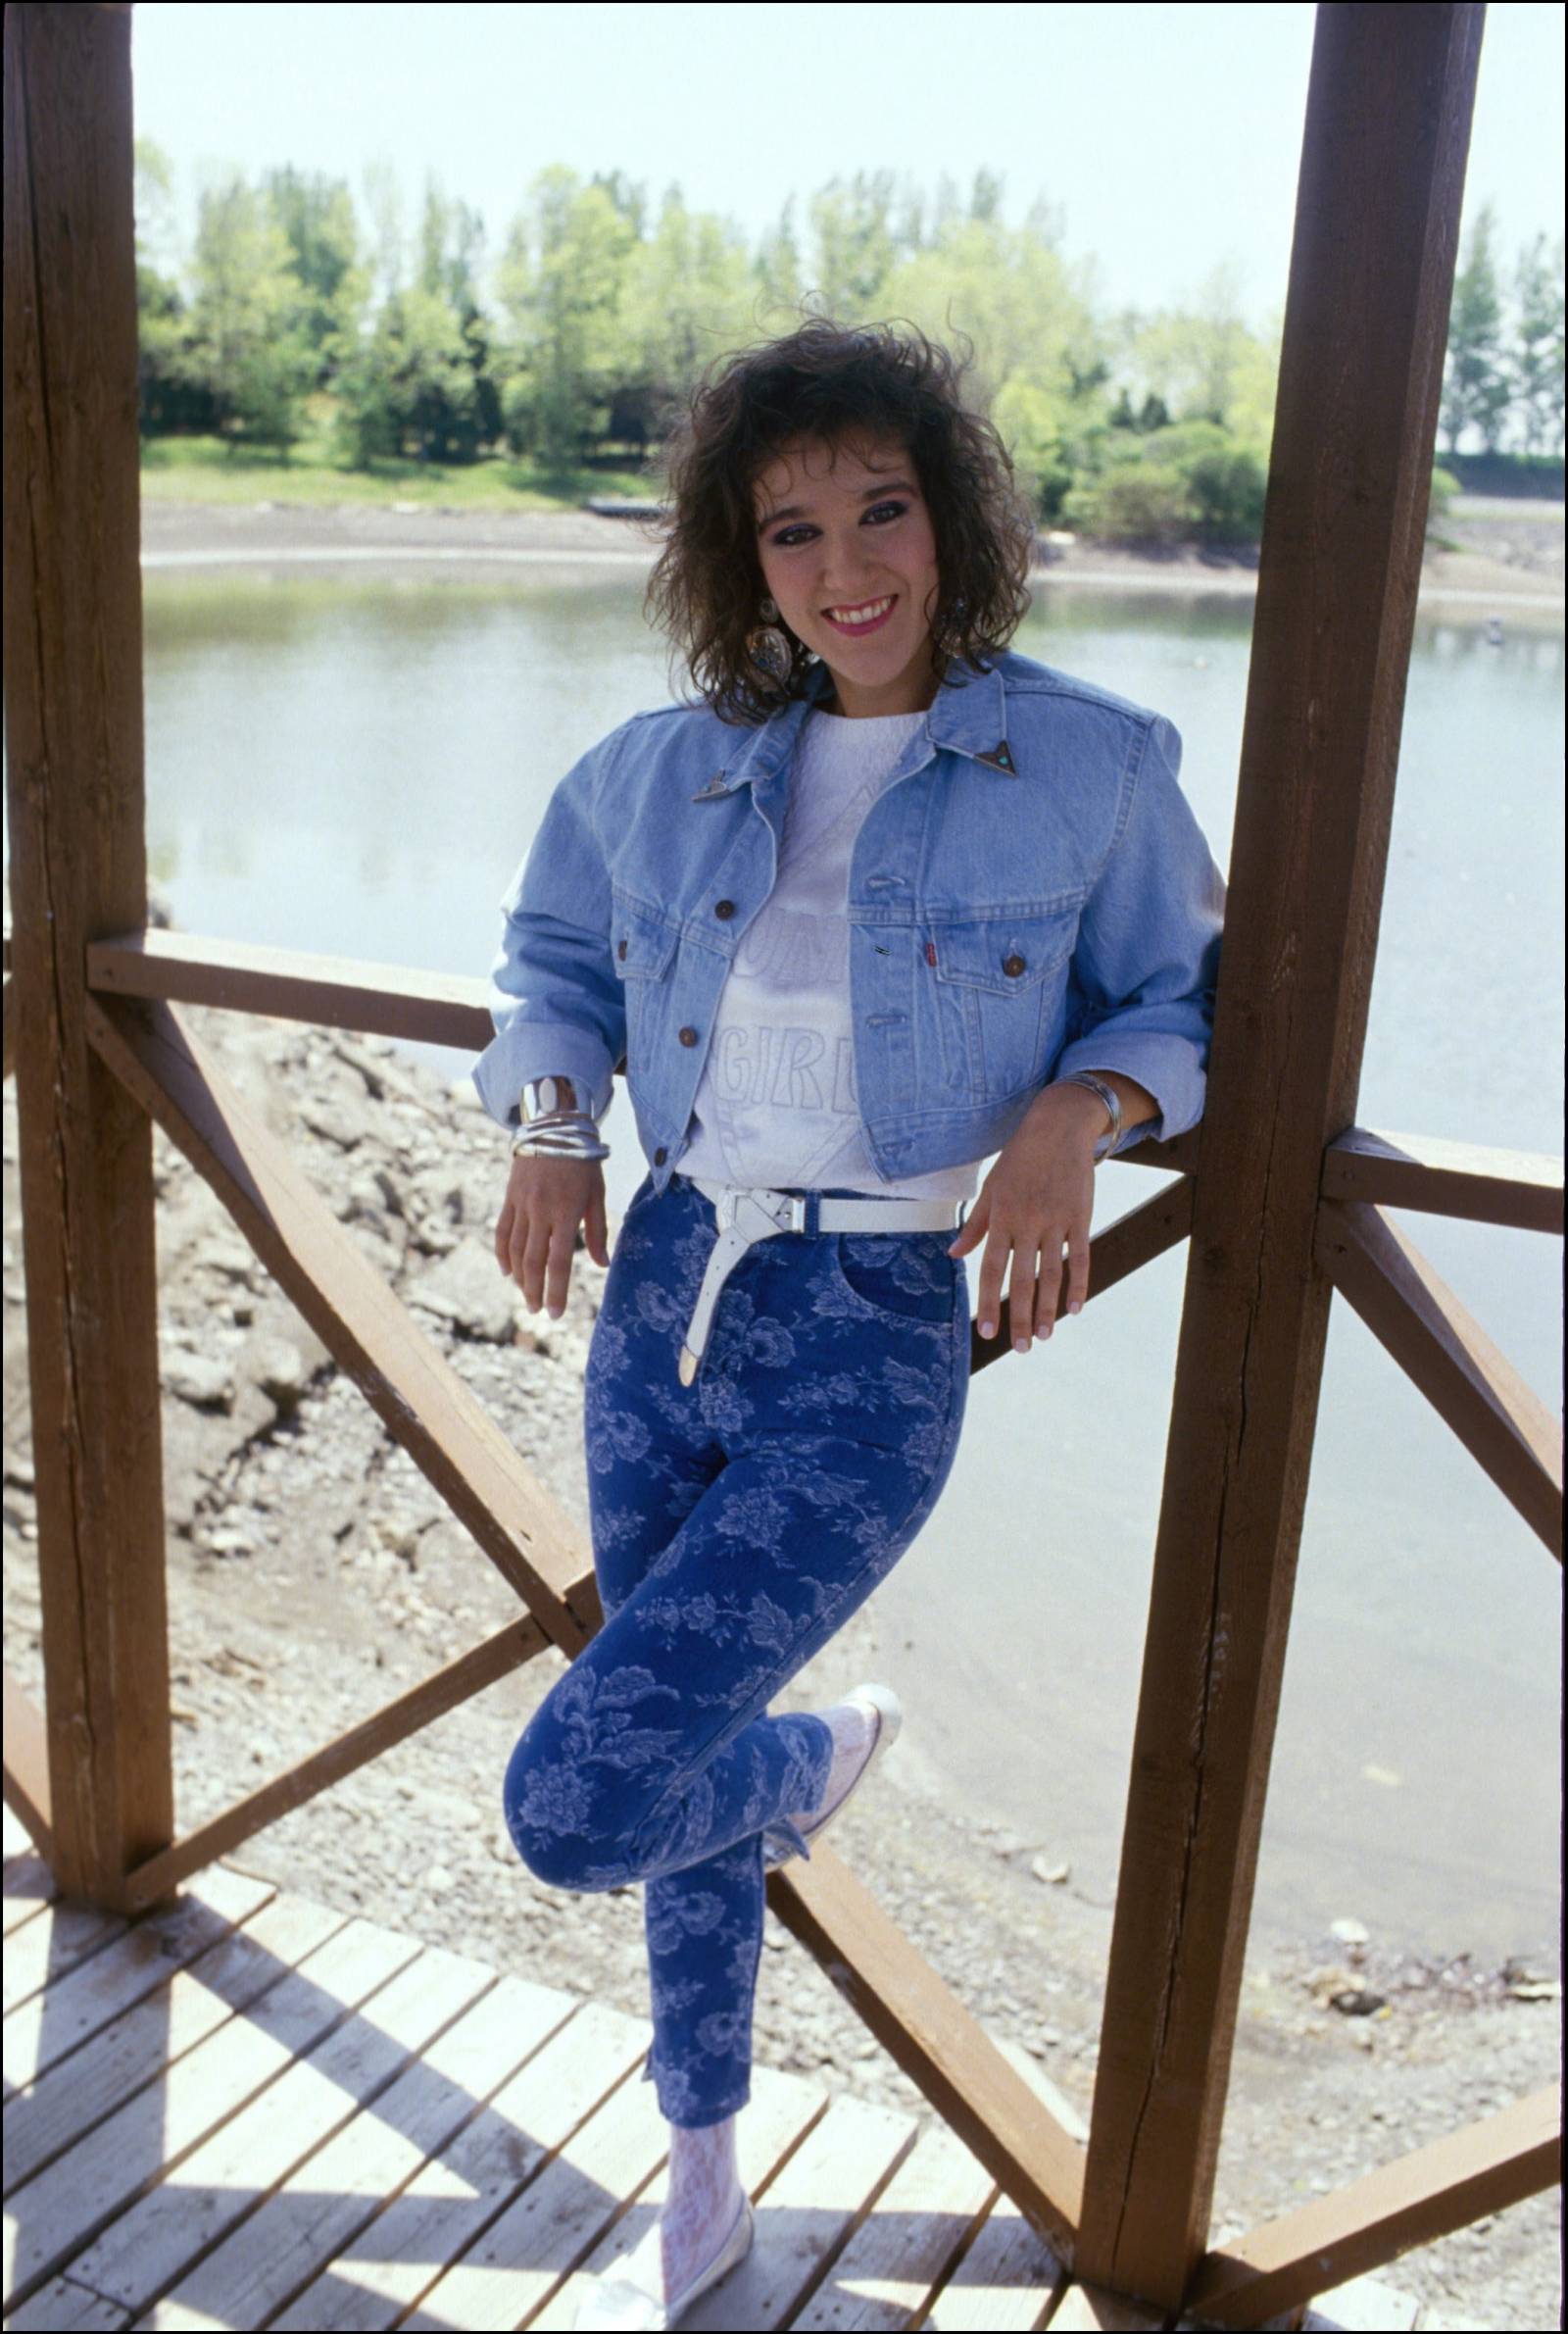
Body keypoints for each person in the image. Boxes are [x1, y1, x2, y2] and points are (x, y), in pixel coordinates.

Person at [472, 318, 1227, 2331]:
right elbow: (545, 962)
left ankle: (809, 1758)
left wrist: (1085, 1107)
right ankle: (702, 2157)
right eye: (788, 529)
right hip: (663, 1301)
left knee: (577, 1804)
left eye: (877, 509)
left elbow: (1192, 1002)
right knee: (664, 1746)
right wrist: (551, 1123)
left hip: (868, 1331)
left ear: (952, 518)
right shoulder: (657, 769)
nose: (841, 566)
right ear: (744, 560)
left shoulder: (1088, 761)